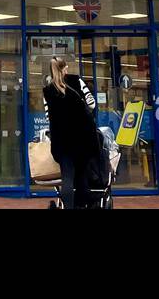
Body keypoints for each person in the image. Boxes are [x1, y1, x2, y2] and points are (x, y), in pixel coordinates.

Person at [43, 55, 103, 208]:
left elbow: (48, 116)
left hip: (61, 142)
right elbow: (91, 103)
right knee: (82, 175)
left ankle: (68, 205)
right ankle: (83, 203)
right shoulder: (76, 81)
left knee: (67, 178)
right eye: (66, 67)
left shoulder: (48, 91)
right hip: (81, 139)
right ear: (63, 69)